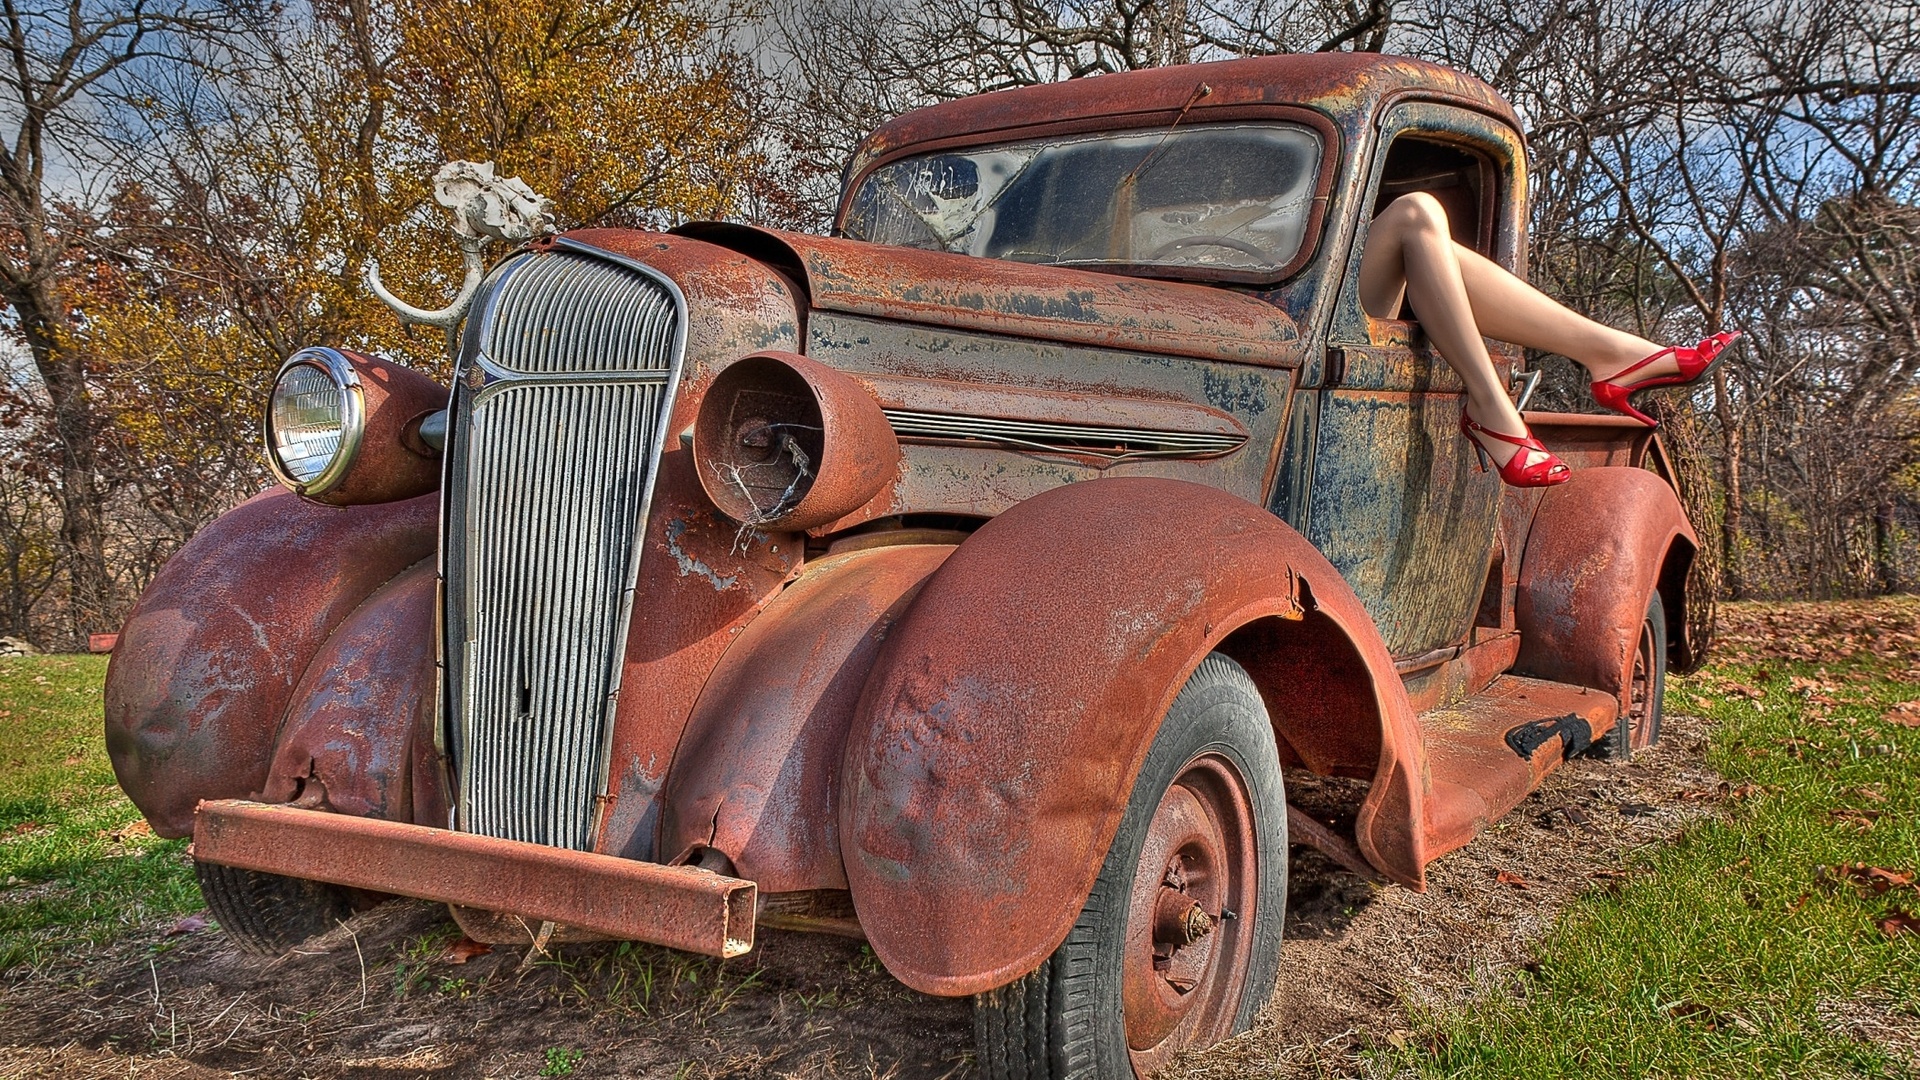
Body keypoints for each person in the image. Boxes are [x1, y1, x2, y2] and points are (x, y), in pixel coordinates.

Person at [1359, 191, 1739, 488]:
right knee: (1416, 212)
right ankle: (1497, 402)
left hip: (1328, 291)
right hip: (1302, 305)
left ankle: (1610, 355)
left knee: (1426, 229)